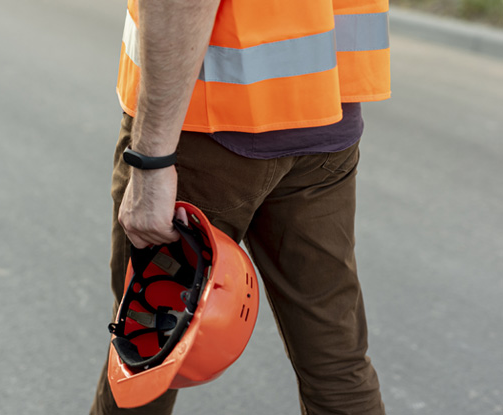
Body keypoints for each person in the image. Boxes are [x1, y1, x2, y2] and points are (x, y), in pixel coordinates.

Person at [90, 0, 391, 413]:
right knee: (336, 362)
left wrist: (152, 160)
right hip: (324, 115)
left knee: (148, 352)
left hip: (207, 126)